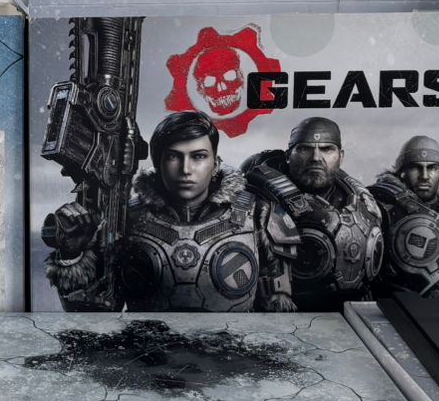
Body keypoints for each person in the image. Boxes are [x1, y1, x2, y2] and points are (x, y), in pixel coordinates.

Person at [45, 110, 299, 312]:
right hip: (148, 355)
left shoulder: (259, 215)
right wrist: (73, 254)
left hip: (234, 354)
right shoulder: (124, 219)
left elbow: (277, 315)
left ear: (215, 163)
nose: (186, 169)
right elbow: (92, 314)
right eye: (174, 157)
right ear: (157, 163)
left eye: (198, 156)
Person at [242, 116, 383, 309]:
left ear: (341, 156)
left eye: (327, 149)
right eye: (304, 149)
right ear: (288, 155)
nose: (316, 157)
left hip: (351, 312)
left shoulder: (360, 201)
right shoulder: (257, 201)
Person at [368, 135, 439, 297]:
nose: (425, 176)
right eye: (416, 167)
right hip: (395, 303)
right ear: (401, 171)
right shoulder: (378, 203)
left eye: (432, 168)